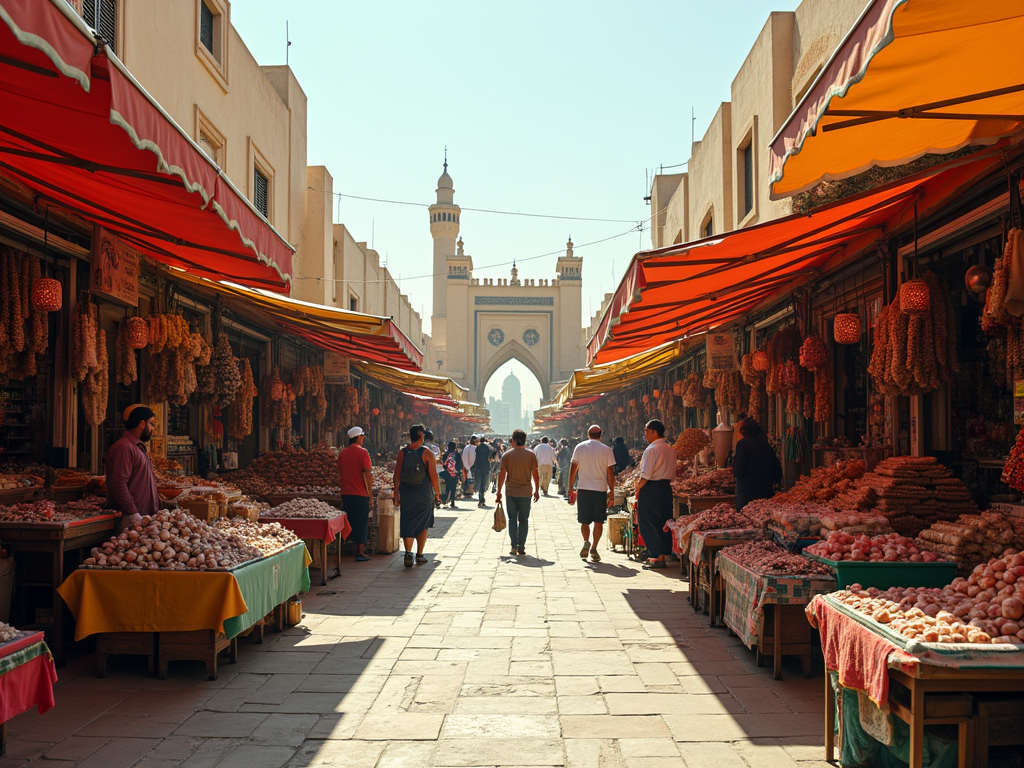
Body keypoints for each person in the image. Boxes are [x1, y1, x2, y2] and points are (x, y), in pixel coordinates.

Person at [393, 424, 442, 567]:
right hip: (423, 492)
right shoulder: (426, 453)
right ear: (420, 434)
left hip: (406, 491)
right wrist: (437, 493)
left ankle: (408, 552)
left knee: (407, 519)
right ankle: (420, 554)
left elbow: (397, 474)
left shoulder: (403, 452)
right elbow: (433, 476)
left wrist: (396, 491)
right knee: (423, 522)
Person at [105, 404, 159, 532]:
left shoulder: (137, 447)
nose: (152, 428)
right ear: (142, 424)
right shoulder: (124, 448)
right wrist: (133, 513)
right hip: (130, 519)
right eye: (151, 423)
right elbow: (118, 483)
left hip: (142, 518)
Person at [568, 424, 616, 563]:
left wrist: (571, 486)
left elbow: (574, 467)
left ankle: (586, 542)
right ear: (601, 434)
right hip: (600, 490)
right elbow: (610, 472)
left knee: (584, 520)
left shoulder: (580, 447)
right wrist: (611, 491)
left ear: (588, 434)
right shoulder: (607, 450)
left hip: (583, 488)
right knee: (599, 521)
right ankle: (594, 547)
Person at [634, 420, 676, 569]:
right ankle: (663, 555)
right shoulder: (669, 448)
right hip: (665, 488)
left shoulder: (651, 449)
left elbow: (646, 474)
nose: (645, 434)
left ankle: (656, 557)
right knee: (664, 521)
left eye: (646, 431)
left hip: (651, 489)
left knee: (650, 522)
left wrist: (638, 488)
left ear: (653, 431)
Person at [496, 429, 540, 556]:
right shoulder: (530, 455)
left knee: (512, 519)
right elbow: (535, 473)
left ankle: (513, 546)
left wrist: (498, 492)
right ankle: (522, 545)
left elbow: (502, 474)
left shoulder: (507, 455)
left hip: (511, 492)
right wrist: (537, 490)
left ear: (513, 440)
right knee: (524, 520)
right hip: (526, 492)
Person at [337, 426, 373, 561]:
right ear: (358, 437)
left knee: (349, 520)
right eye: (362, 437)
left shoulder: (342, 454)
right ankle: (360, 551)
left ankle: (346, 547)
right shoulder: (363, 453)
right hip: (360, 493)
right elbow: (367, 474)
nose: (363, 439)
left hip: (346, 492)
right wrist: (370, 494)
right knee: (361, 522)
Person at [733, 417, 782, 511]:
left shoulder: (742, 444)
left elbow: (739, 469)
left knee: (745, 520)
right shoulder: (766, 445)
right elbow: (777, 469)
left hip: (747, 493)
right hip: (765, 491)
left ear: (743, 431)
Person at [440, 441, 463, 509]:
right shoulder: (457, 454)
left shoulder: (445, 454)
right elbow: (459, 464)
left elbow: (444, 464)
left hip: (447, 472)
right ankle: (452, 502)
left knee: (447, 486)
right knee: (453, 487)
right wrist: (458, 472)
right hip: (454, 473)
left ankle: (446, 500)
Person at [473, 437, 492, 507]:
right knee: (484, 483)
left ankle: (480, 497)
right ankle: (482, 497)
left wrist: (474, 465)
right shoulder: (488, 447)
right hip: (486, 467)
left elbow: (477, 457)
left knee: (479, 482)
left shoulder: (478, 448)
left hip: (478, 467)